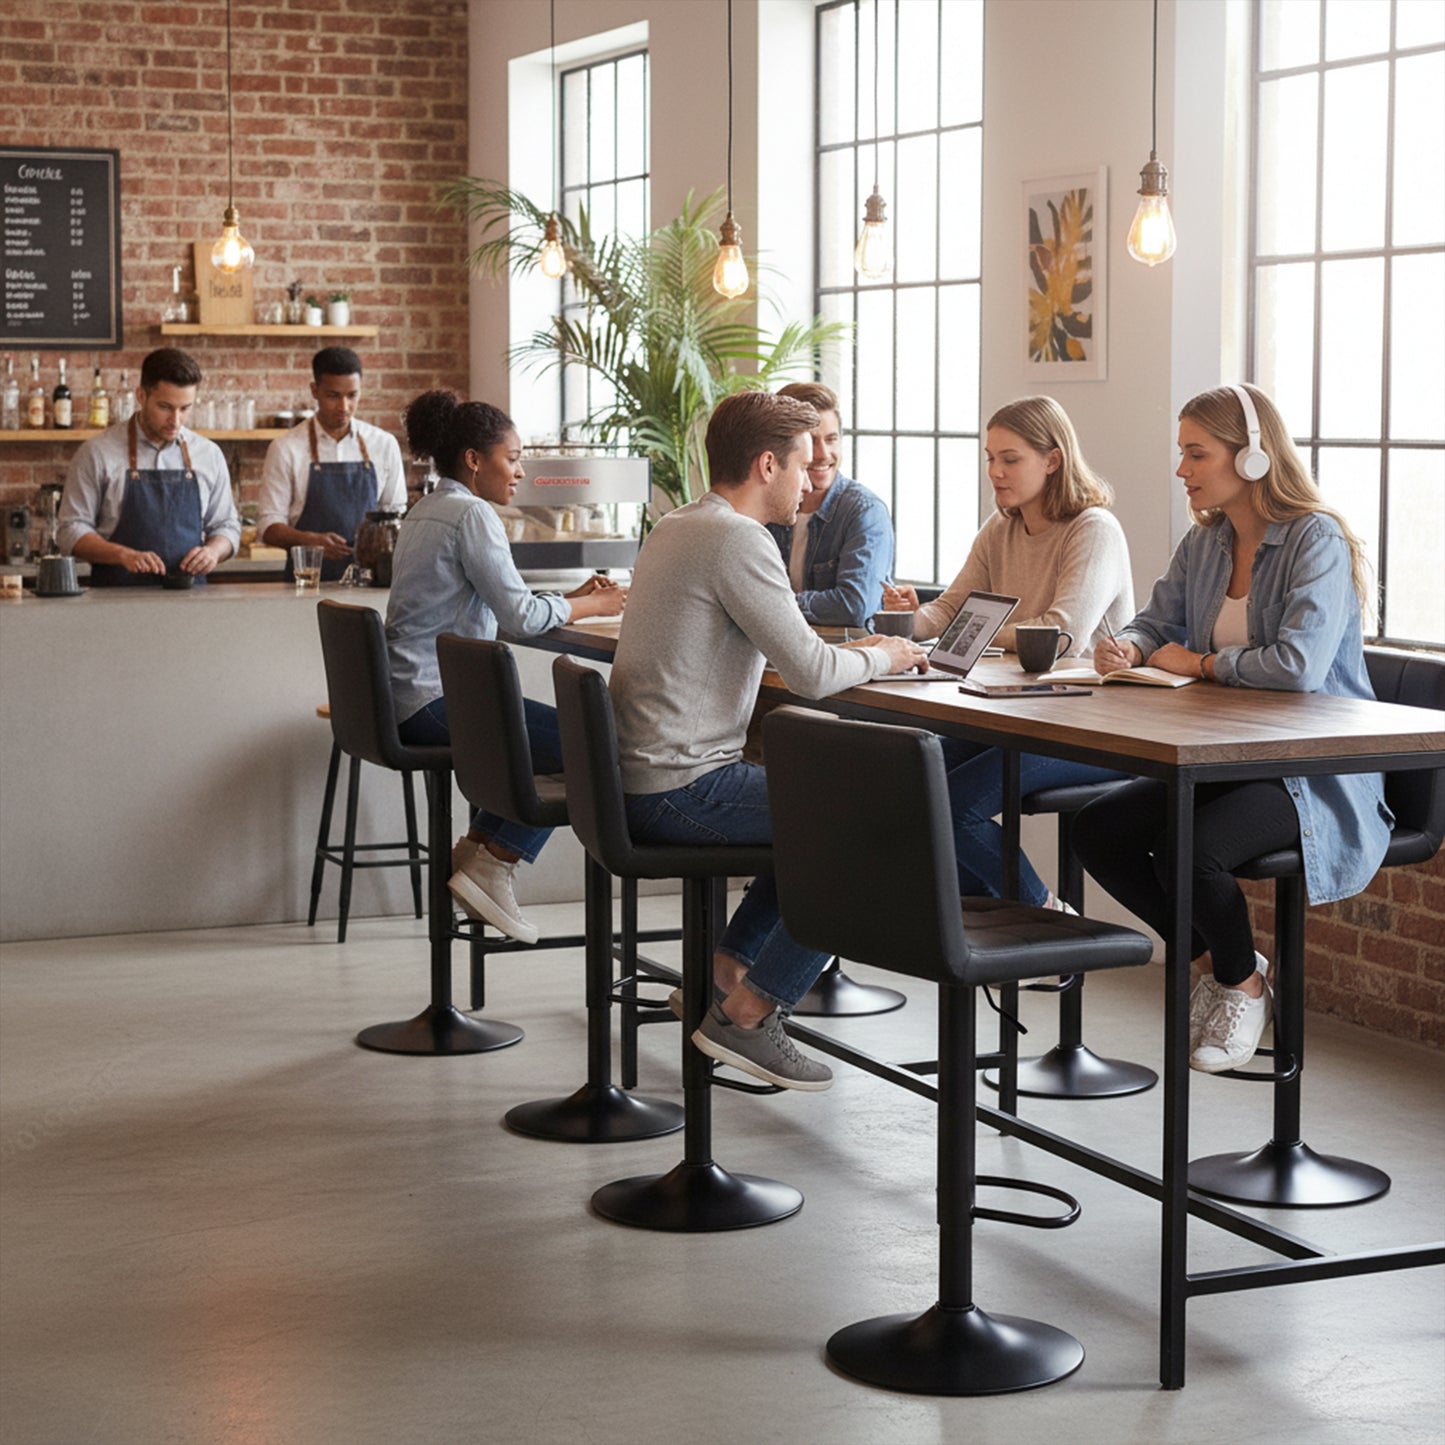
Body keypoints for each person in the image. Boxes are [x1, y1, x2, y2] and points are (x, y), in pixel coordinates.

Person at [610, 390, 928, 1090]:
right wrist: (889, 654)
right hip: (680, 788)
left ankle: (725, 975)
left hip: (635, 781)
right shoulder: (738, 538)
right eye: (802, 464)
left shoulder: (679, 524)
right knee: (878, 822)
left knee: (820, 804)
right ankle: (751, 1013)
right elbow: (812, 672)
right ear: (764, 464)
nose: (811, 479)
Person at [1071, 383, 1391, 1073]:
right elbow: (1154, 619)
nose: (1181, 469)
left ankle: (1243, 985)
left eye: (1195, 453)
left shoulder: (1316, 538)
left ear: (1249, 459)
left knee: (1191, 847)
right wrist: (1127, 644)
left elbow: (1299, 665)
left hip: (1310, 767)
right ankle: (1220, 963)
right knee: (1096, 828)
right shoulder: (1205, 540)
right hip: (1229, 755)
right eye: (1180, 452)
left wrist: (1203, 661)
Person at [385, 390, 625, 944]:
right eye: (512, 457)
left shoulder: (426, 510)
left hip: (406, 696)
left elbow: (502, 605)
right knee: (593, 742)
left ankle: (477, 852)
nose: (520, 471)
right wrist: (591, 605)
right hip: (435, 701)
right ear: (474, 459)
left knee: (563, 739)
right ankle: (495, 860)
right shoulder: (471, 514)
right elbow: (518, 615)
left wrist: (569, 594)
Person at [884, 395, 1135, 909]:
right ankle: (993, 913)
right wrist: (907, 618)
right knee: (905, 784)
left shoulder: (1093, 530)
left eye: (1010, 459)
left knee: (950, 806)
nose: (995, 472)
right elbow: (951, 608)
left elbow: (1060, 634)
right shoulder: (1001, 527)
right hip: (1015, 716)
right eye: (990, 458)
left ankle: (1043, 916)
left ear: (1053, 459)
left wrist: (972, 631)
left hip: (1088, 726)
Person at [58, 348, 239, 585]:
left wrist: (214, 551)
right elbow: (70, 531)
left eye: (185, 409)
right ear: (141, 396)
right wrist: (122, 554)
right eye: (165, 407)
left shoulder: (209, 455)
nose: (175, 421)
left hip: (191, 604)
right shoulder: (97, 453)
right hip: (115, 603)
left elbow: (227, 526)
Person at [256, 346, 406, 581]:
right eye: (333, 396)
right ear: (315, 391)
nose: (344, 407)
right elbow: (268, 527)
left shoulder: (384, 444)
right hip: (305, 583)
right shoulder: (286, 448)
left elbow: (397, 517)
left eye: (352, 395)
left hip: (370, 583)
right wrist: (310, 541)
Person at [763, 380, 894, 627]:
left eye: (832, 439)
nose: (823, 454)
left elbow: (854, 606)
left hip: (847, 656)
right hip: (778, 655)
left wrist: (773, 603)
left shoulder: (864, 511)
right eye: (812, 441)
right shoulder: (767, 508)